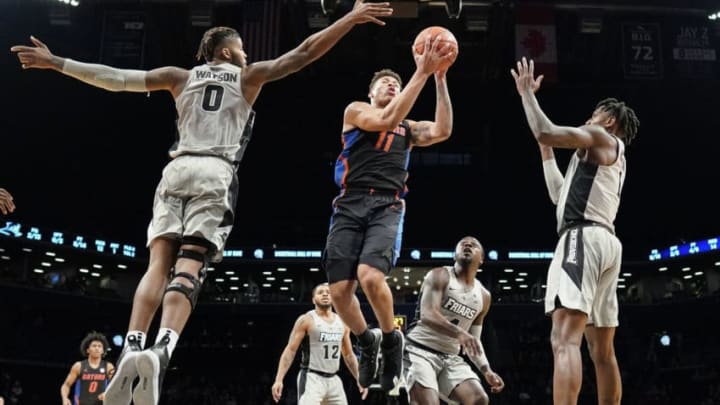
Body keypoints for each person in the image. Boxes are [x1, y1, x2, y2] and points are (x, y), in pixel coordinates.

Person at [11, 2, 393, 405]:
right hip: (215, 171)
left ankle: (132, 346)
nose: (246, 52)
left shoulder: (180, 77)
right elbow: (303, 53)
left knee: (158, 264)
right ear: (226, 52)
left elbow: (117, 78)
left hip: (175, 170)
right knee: (190, 265)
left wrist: (58, 63)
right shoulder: (247, 76)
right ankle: (162, 349)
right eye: (242, 46)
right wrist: (349, 18)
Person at [322, 36, 455, 394]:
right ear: (370, 93)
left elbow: (443, 130)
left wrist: (439, 79)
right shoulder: (357, 112)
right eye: (384, 83)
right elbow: (386, 117)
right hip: (349, 204)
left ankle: (392, 340)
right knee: (338, 292)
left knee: (368, 277)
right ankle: (367, 341)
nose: (391, 84)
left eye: (395, 82)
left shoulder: (408, 129)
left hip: (387, 204)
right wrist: (420, 72)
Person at [511, 57, 639, 405]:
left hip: (582, 239)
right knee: (602, 351)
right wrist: (545, 149)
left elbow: (545, 129)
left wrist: (526, 94)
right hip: (606, 243)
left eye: (594, 115)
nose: (588, 120)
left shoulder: (600, 136)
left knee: (564, 338)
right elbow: (558, 194)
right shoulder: (605, 156)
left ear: (608, 121)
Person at [403, 236, 504, 404]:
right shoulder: (440, 275)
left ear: (482, 260)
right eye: (463, 243)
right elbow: (427, 315)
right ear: (454, 255)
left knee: (478, 399)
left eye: (474, 245)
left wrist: (486, 370)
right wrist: (460, 333)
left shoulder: (484, 296)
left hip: (450, 356)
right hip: (418, 350)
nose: (468, 244)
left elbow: (474, 341)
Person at [271, 282, 368, 404]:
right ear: (313, 299)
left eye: (328, 292)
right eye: (320, 292)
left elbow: (348, 355)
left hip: (334, 379)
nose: (325, 295)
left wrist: (359, 377)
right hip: (312, 378)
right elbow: (290, 350)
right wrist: (279, 379)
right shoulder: (306, 320)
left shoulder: (342, 322)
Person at [60, 332, 116, 405]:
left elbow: (117, 385)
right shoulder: (78, 366)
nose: (97, 348)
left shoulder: (108, 366)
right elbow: (66, 385)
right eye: (94, 346)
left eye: (99, 346)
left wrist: (108, 393)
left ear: (103, 350)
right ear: (88, 350)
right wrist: (65, 398)